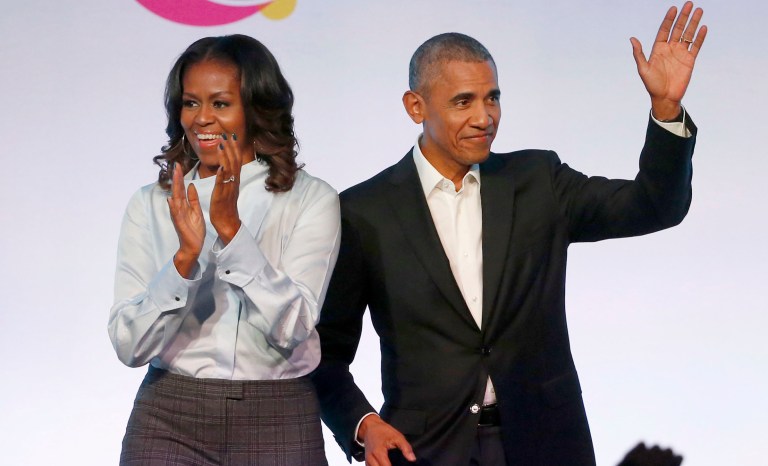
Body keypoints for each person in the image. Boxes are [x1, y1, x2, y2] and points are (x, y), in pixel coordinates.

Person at [311, 3, 706, 465]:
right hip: (427, 450)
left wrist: (666, 108)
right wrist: (363, 423)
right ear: (415, 106)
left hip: (545, 442)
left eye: (492, 97)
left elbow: (654, 206)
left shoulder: (539, 179)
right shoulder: (363, 211)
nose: (485, 117)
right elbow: (324, 353)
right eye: (464, 101)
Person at [109, 34, 340, 465]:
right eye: (190, 103)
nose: (201, 119)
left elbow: (293, 328)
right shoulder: (151, 203)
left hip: (279, 413)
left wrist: (232, 234)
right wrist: (183, 263)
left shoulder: (311, 199)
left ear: (255, 108)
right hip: (170, 413)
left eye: (220, 103)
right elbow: (130, 345)